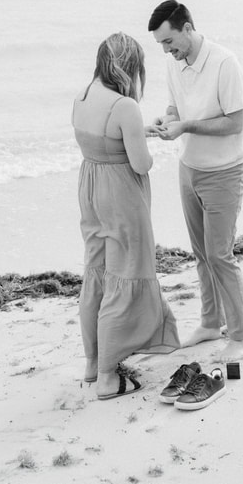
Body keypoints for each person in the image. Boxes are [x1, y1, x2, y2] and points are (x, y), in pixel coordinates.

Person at [72, 32, 180, 399]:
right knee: (127, 273)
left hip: (90, 188)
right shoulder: (125, 106)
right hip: (121, 196)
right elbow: (139, 163)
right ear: (129, 66)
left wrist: (137, 133)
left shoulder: (83, 96)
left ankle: (92, 363)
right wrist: (145, 142)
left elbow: (104, 145)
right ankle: (107, 376)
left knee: (98, 273)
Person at [147, 0, 243, 361]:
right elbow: (176, 107)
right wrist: (169, 120)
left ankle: (238, 335)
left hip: (224, 171)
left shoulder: (225, 63)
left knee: (220, 254)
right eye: (161, 44)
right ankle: (210, 322)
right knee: (201, 254)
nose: (166, 49)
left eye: (169, 41)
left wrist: (187, 126)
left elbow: (234, 123)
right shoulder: (173, 64)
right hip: (188, 168)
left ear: (187, 28)